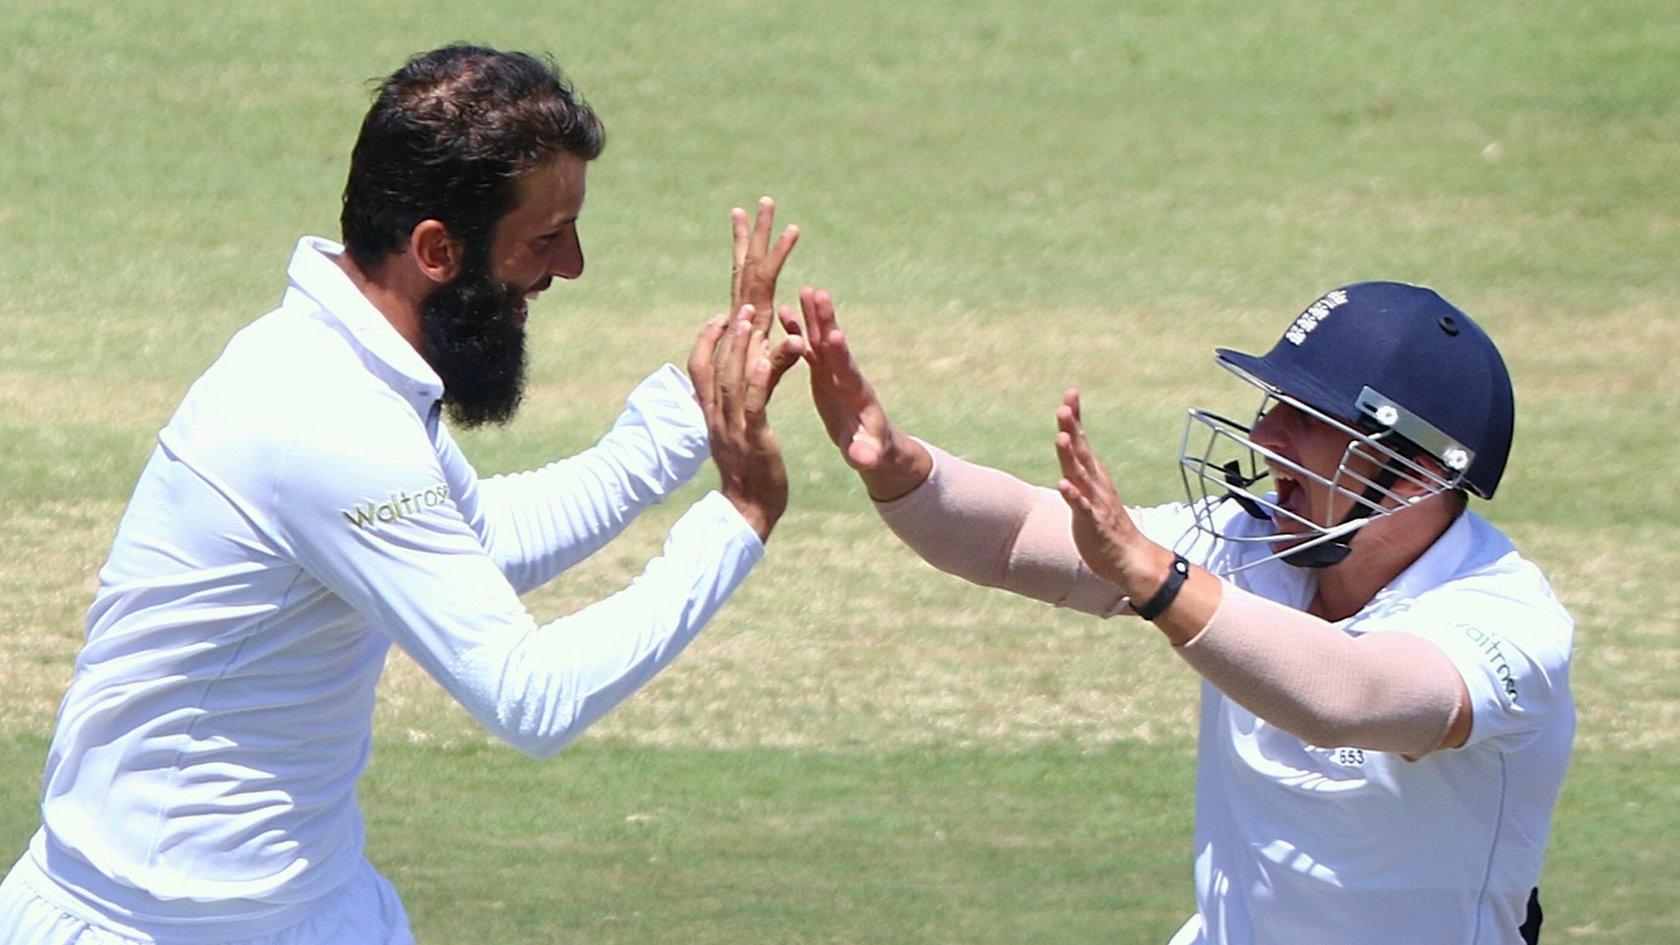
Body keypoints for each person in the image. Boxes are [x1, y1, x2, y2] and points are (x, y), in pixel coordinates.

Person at [0, 45, 805, 945]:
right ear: (436, 249)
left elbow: (480, 544)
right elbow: (527, 695)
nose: (570, 266)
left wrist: (693, 413)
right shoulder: (324, 415)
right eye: (545, 237)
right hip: (143, 929)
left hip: (318, 908)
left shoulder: (354, 371)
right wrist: (738, 517)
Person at [785, 281, 1572, 945]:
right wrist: (900, 467)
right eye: (1275, 404)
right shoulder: (1253, 540)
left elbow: (1352, 698)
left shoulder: (1506, 615)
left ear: (1415, 476)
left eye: (1310, 418)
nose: (1266, 434)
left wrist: (1159, 581)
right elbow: (1016, 536)